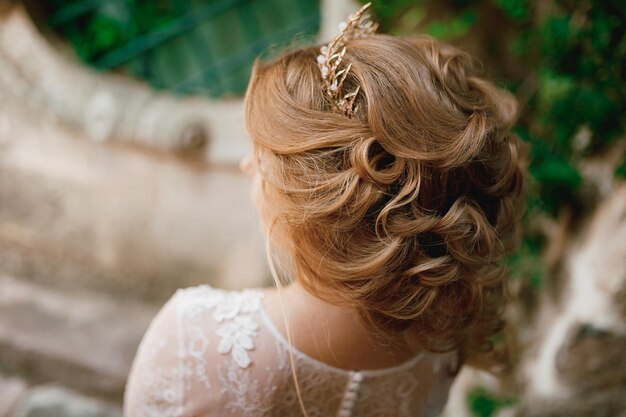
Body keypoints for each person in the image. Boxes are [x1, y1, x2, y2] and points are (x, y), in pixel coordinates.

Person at [123, 3, 526, 417]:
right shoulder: (446, 329)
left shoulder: (193, 340)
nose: (247, 167)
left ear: (314, 202)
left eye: (261, 158)